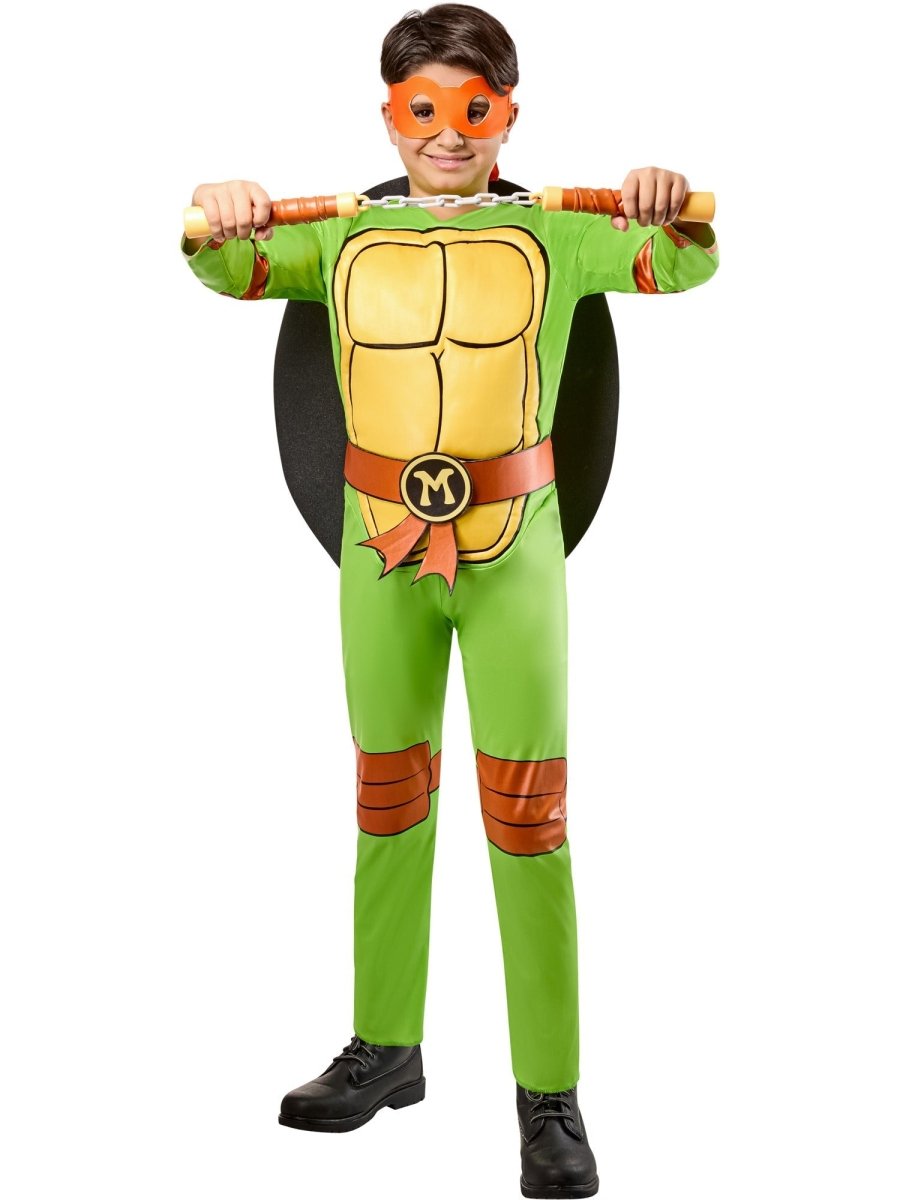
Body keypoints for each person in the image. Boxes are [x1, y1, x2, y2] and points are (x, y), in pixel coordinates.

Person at [182, 4, 718, 1196]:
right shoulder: (339, 238)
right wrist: (222, 206)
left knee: (530, 822)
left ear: (508, 115)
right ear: (389, 114)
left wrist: (664, 197)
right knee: (387, 802)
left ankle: (550, 1096)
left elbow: (684, 258)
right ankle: (386, 1047)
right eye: (422, 107)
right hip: (379, 551)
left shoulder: (556, 235)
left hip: (514, 552)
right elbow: (224, 265)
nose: (448, 133)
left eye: (474, 109)